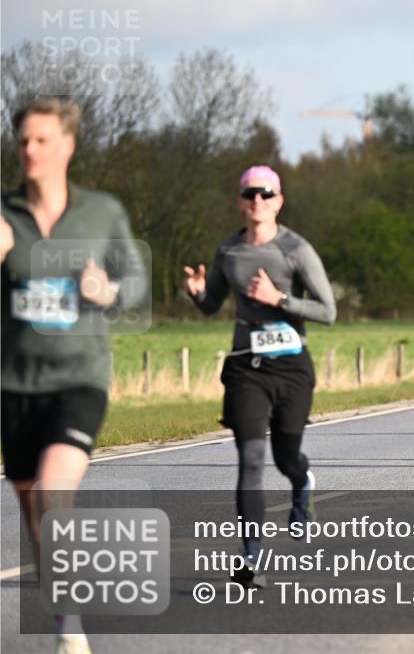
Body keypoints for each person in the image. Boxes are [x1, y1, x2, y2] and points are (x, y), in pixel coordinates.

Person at [2, 98, 148, 654]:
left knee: (50, 492)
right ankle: (66, 612)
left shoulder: (101, 212)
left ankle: (70, 629)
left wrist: (107, 290)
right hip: (13, 385)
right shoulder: (4, 215)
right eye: (23, 141)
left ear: (67, 145)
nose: (30, 150)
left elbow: (135, 281)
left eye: (41, 140)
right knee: (33, 510)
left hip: (79, 378)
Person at [184, 165, 336, 588]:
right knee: (250, 461)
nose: (258, 201)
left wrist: (279, 298)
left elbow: (328, 311)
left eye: (266, 194)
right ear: (239, 201)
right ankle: (250, 559)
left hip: (291, 367)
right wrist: (197, 294)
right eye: (250, 194)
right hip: (245, 367)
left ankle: (301, 483)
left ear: (279, 201)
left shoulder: (296, 250)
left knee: (287, 457)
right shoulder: (228, 251)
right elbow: (212, 303)